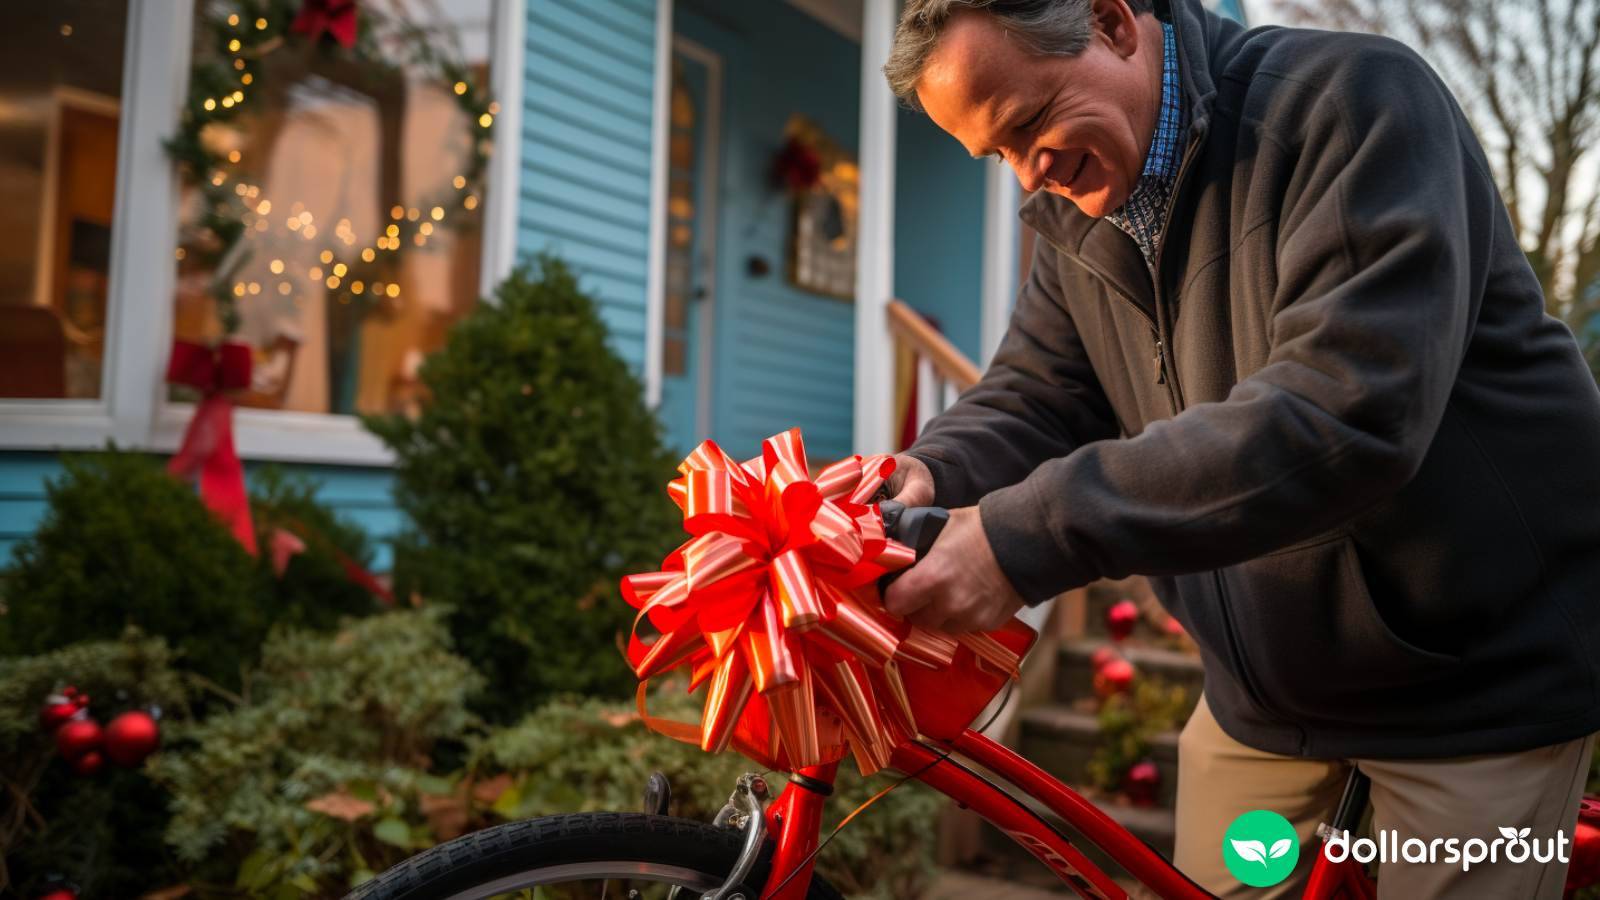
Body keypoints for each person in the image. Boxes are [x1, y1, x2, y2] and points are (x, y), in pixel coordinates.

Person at [876, 0, 1600, 896]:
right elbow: (1041, 393)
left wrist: (1023, 539)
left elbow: (1345, 412)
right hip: (1265, 698)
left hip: (1474, 686)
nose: (1031, 174)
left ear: (1111, 22)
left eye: (1030, 122)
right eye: (999, 155)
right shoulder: (1079, 208)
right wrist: (928, 471)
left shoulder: (1352, 106)